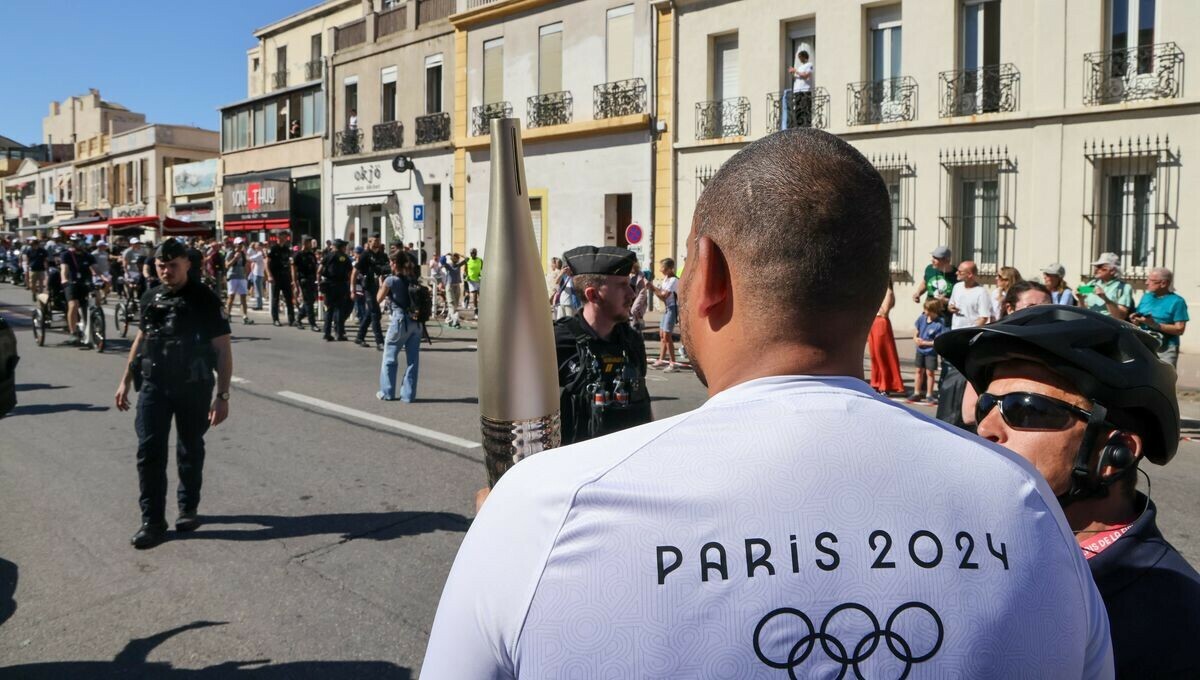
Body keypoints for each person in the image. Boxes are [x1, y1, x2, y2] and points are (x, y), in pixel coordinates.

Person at [423, 128, 1114, 678]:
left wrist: (510, 533)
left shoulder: (546, 507)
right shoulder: (1025, 502)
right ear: (877, 295)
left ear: (712, 276)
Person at [936, 305, 1198, 679]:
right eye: (986, 406)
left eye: (1025, 410)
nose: (986, 429)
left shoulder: (1175, 621)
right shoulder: (967, 547)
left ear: (1115, 452)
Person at [114, 239, 233, 550]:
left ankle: (187, 508)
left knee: (189, 447)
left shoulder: (204, 298)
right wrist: (125, 379)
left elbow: (222, 349)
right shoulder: (150, 296)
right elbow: (141, 338)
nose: (166, 271)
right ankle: (152, 522)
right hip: (154, 386)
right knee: (149, 451)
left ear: (187, 264)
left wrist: (222, 397)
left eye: (173, 265)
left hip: (193, 386)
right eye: (161, 266)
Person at [553, 246, 652, 446]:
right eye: (622, 285)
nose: (632, 293)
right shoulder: (556, 341)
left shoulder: (632, 341)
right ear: (593, 295)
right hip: (576, 469)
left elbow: (643, 404)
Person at [937, 260, 991, 426]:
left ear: (971, 274)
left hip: (968, 340)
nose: (957, 273)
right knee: (947, 372)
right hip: (954, 335)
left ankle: (961, 411)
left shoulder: (981, 292)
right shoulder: (957, 287)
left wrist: (971, 333)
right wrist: (951, 307)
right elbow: (952, 304)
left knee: (963, 377)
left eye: (961, 271)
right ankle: (946, 403)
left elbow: (984, 317)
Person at [377, 254, 422, 402]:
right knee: (413, 360)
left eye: (391, 262)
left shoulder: (391, 280)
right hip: (416, 323)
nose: (390, 264)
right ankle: (408, 395)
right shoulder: (413, 279)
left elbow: (378, 299)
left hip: (400, 321)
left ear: (395, 264)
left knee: (389, 357)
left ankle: (387, 392)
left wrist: (380, 284)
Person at [1131, 267, 1188, 367]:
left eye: (1151, 280)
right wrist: (1135, 319)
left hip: (1165, 349)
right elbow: (1139, 317)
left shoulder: (1177, 301)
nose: (1147, 282)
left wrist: (1155, 325)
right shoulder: (1146, 297)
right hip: (1143, 345)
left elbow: (1180, 329)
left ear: (1164, 283)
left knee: (1164, 380)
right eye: (1147, 279)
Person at [867, 280, 905, 395]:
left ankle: (886, 384)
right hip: (874, 323)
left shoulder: (888, 292)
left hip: (881, 323)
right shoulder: (877, 291)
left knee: (882, 354)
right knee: (874, 355)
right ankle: (876, 382)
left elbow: (884, 312)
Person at [59, 237, 97, 346]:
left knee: (96, 300)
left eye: (83, 242)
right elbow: (64, 269)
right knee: (73, 305)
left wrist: (104, 277)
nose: (82, 244)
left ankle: (95, 326)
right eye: (79, 242)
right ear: (73, 243)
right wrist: (64, 279)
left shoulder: (88, 255)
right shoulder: (66, 255)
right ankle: (73, 332)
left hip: (85, 283)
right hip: (72, 283)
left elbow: (95, 268)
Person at [907, 297, 945, 405]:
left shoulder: (939, 323)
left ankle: (929, 394)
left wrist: (925, 343)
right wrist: (915, 338)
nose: (925, 312)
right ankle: (917, 392)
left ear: (934, 310)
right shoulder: (922, 318)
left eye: (928, 310)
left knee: (930, 373)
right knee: (918, 371)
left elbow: (937, 340)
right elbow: (916, 331)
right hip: (920, 350)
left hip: (930, 352)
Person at [355, 236, 388, 349]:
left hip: (378, 287)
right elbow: (355, 270)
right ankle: (380, 342)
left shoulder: (382, 255)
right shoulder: (365, 255)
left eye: (378, 241)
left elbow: (386, 269)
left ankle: (360, 337)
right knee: (375, 314)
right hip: (368, 287)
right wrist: (352, 287)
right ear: (369, 242)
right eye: (374, 241)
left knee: (370, 313)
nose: (377, 243)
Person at [1078, 252, 1133, 320]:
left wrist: (1105, 299)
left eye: (1100, 267)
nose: (1096, 270)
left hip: (1109, 327)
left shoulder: (1123, 287)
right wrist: (1080, 299)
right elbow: (1082, 312)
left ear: (1112, 271)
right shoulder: (1091, 284)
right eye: (1096, 267)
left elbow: (1120, 316)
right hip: (1089, 324)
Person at [318, 239, 353, 341]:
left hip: (329, 285)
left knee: (329, 309)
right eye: (344, 246)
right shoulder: (344, 257)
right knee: (339, 310)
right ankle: (339, 333)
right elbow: (350, 272)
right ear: (341, 247)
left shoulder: (328, 256)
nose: (345, 248)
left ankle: (327, 333)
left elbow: (319, 270)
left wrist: (319, 282)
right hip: (341, 285)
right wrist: (350, 285)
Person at [649, 257, 680, 372]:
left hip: (672, 308)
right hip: (667, 308)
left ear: (669, 269)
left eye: (663, 268)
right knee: (662, 335)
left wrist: (653, 289)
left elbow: (663, 296)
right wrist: (654, 288)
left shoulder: (673, 280)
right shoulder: (666, 279)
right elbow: (661, 293)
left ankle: (673, 363)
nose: (660, 270)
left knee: (667, 335)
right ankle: (661, 360)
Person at [266, 232, 296, 327]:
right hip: (276, 276)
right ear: (277, 238)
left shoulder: (287, 249)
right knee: (275, 299)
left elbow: (289, 262)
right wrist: (269, 275)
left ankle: (292, 319)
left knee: (289, 298)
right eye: (281, 237)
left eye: (284, 237)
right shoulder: (273, 248)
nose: (283, 239)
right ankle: (275, 319)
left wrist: (292, 278)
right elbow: (266, 263)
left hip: (285, 276)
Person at [292, 236, 320, 331]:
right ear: (304, 243)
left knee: (311, 300)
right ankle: (313, 324)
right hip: (304, 280)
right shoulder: (298, 255)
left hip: (312, 280)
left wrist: (317, 279)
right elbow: (294, 270)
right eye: (308, 242)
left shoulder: (311, 254)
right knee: (308, 302)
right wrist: (295, 283)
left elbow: (315, 267)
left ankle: (298, 318)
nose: (310, 244)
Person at [224, 237, 253, 325]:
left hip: (241, 277)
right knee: (231, 297)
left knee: (243, 297)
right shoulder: (231, 253)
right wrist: (235, 259)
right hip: (232, 276)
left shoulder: (243, 254)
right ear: (235, 244)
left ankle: (245, 316)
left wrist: (246, 275)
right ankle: (228, 315)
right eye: (239, 244)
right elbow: (227, 265)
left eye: (242, 244)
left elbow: (245, 265)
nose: (241, 245)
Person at [786, 48, 814, 127]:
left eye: (800, 57)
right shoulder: (800, 67)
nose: (800, 59)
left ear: (804, 57)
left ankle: (806, 125)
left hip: (805, 90)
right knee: (798, 110)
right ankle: (798, 125)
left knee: (805, 109)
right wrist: (793, 72)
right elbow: (798, 77)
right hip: (797, 91)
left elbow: (805, 75)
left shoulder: (809, 65)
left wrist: (795, 71)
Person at [442, 252, 463, 327]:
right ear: (451, 258)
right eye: (454, 257)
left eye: (456, 258)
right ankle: (455, 320)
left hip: (457, 286)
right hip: (449, 286)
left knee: (456, 305)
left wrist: (460, 255)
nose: (455, 258)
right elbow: (442, 261)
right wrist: (446, 255)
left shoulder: (458, 265)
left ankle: (449, 318)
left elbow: (467, 259)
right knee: (451, 304)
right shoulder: (448, 266)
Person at [24, 238, 48, 304]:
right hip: (33, 269)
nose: (32, 246)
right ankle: (34, 293)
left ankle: (40, 296)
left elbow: (45, 260)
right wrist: (27, 267)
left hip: (41, 269)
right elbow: (27, 259)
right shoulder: (29, 251)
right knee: (32, 284)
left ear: (37, 244)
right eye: (31, 245)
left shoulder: (43, 251)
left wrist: (46, 268)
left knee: (41, 284)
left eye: (33, 244)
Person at [247, 241, 266, 311]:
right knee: (257, 290)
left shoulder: (260, 254)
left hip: (258, 274)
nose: (255, 247)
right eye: (255, 245)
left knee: (258, 290)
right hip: (257, 273)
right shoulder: (259, 253)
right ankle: (259, 304)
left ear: (260, 246)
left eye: (257, 245)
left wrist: (246, 253)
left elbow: (250, 258)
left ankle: (259, 305)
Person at [464, 248, 483, 313]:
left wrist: (481, 274)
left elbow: (482, 268)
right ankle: (476, 309)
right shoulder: (468, 260)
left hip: (478, 280)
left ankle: (482, 309)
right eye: (472, 253)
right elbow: (465, 269)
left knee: (481, 295)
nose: (473, 254)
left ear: (476, 253)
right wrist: (467, 275)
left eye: (474, 253)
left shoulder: (480, 260)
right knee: (474, 295)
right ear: (470, 254)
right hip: (471, 280)